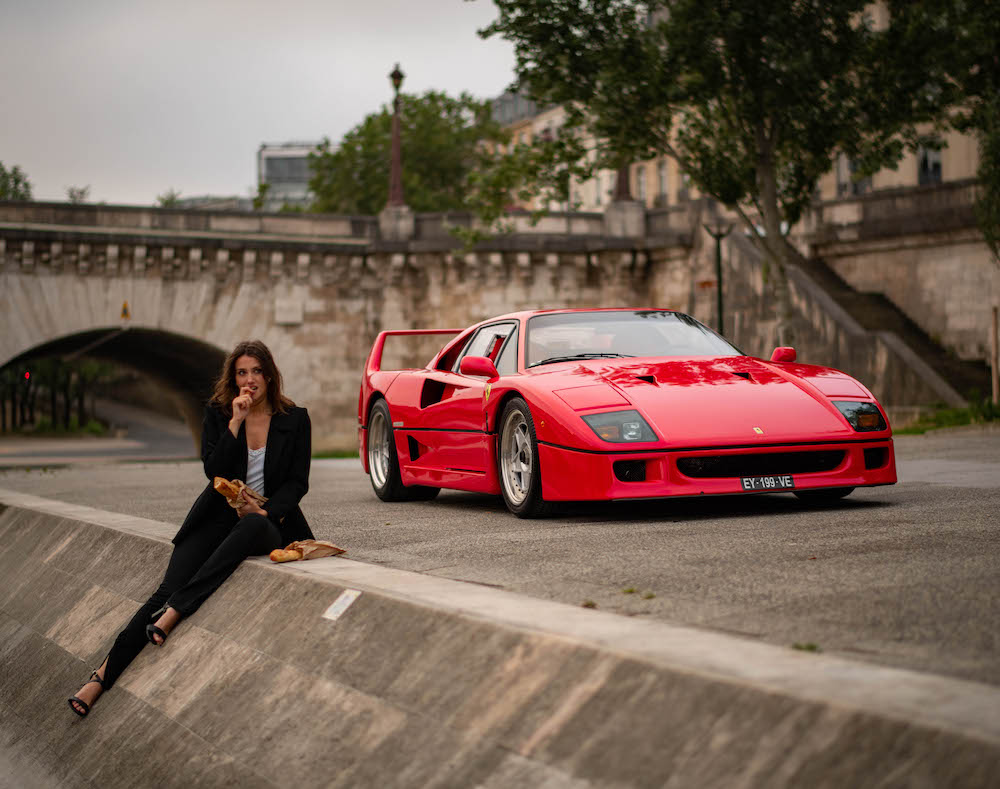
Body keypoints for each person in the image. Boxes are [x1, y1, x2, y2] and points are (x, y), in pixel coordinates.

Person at [68, 340, 312, 717]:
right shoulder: (219, 413)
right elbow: (213, 471)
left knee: (248, 529)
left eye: (257, 371)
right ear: (233, 379)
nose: (250, 380)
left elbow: (297, 482)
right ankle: (101, 677)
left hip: (267, 522)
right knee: (163, 590)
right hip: (217, 515)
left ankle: (177, 611)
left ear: (270, 375)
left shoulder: (295, 418)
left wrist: (265, 513)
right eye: (242, 373)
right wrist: (236, 421)